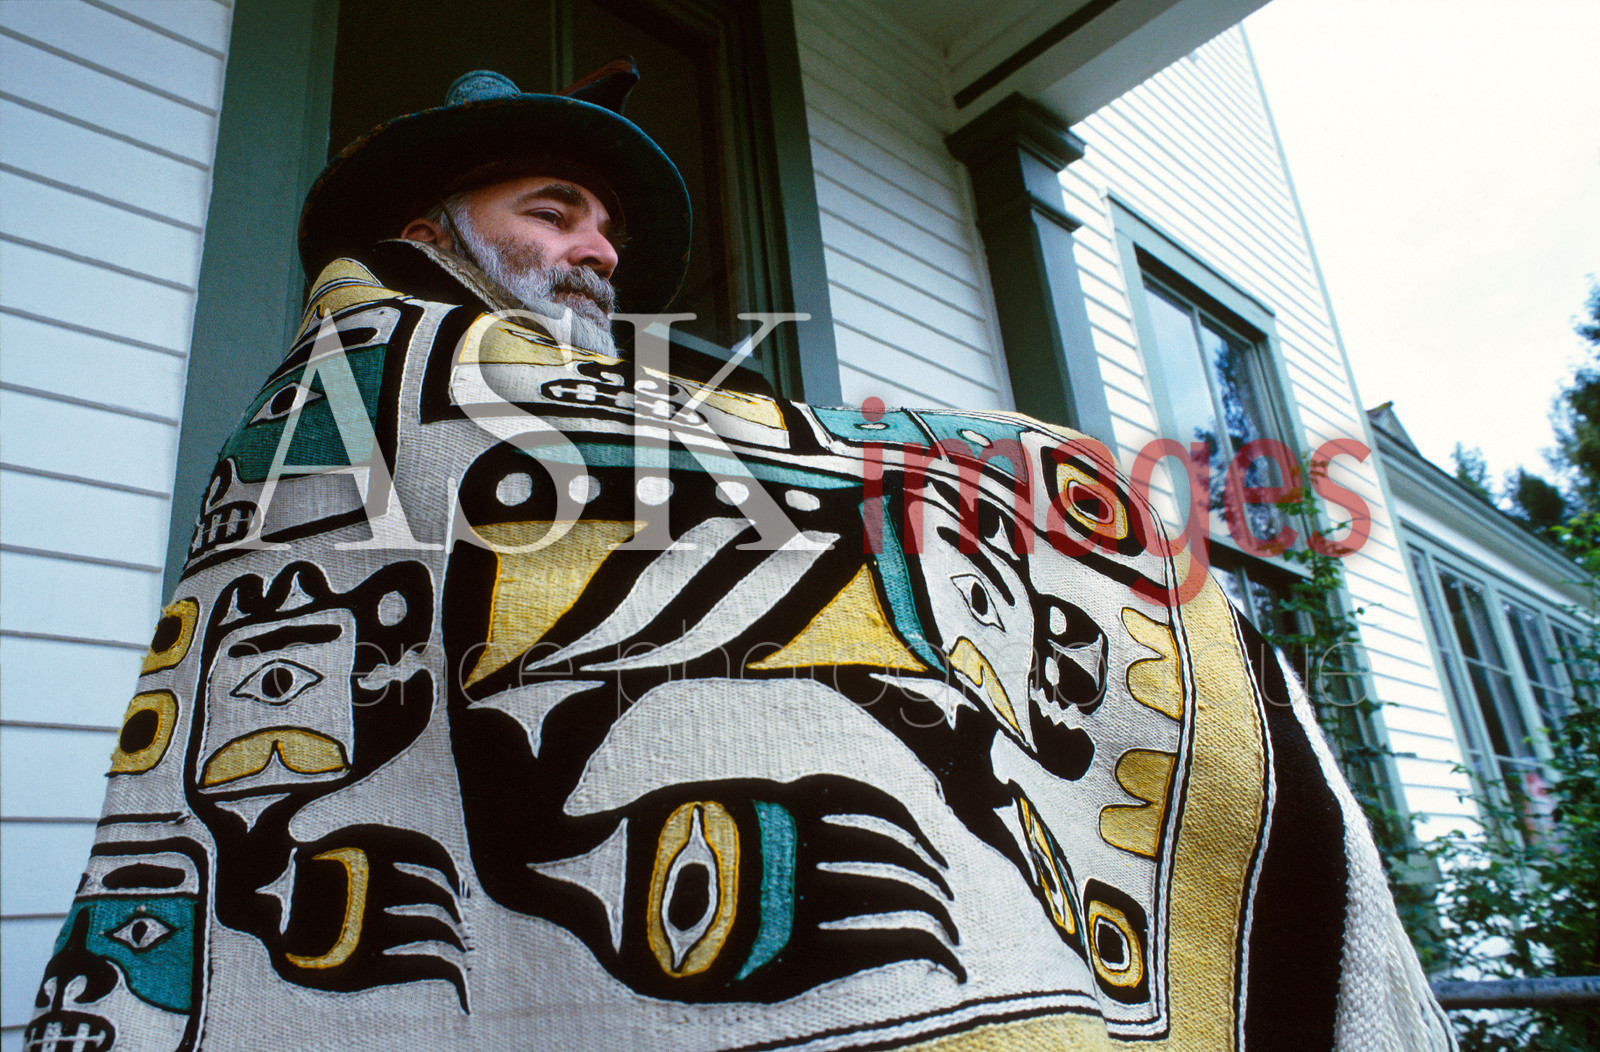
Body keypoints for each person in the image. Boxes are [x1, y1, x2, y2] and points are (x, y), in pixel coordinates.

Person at [28, 63, 1453, 1052]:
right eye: (553, 212)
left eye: (608, 229)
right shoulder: (372, 371)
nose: (600, 252)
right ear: (424, 234)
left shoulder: (625, 409)